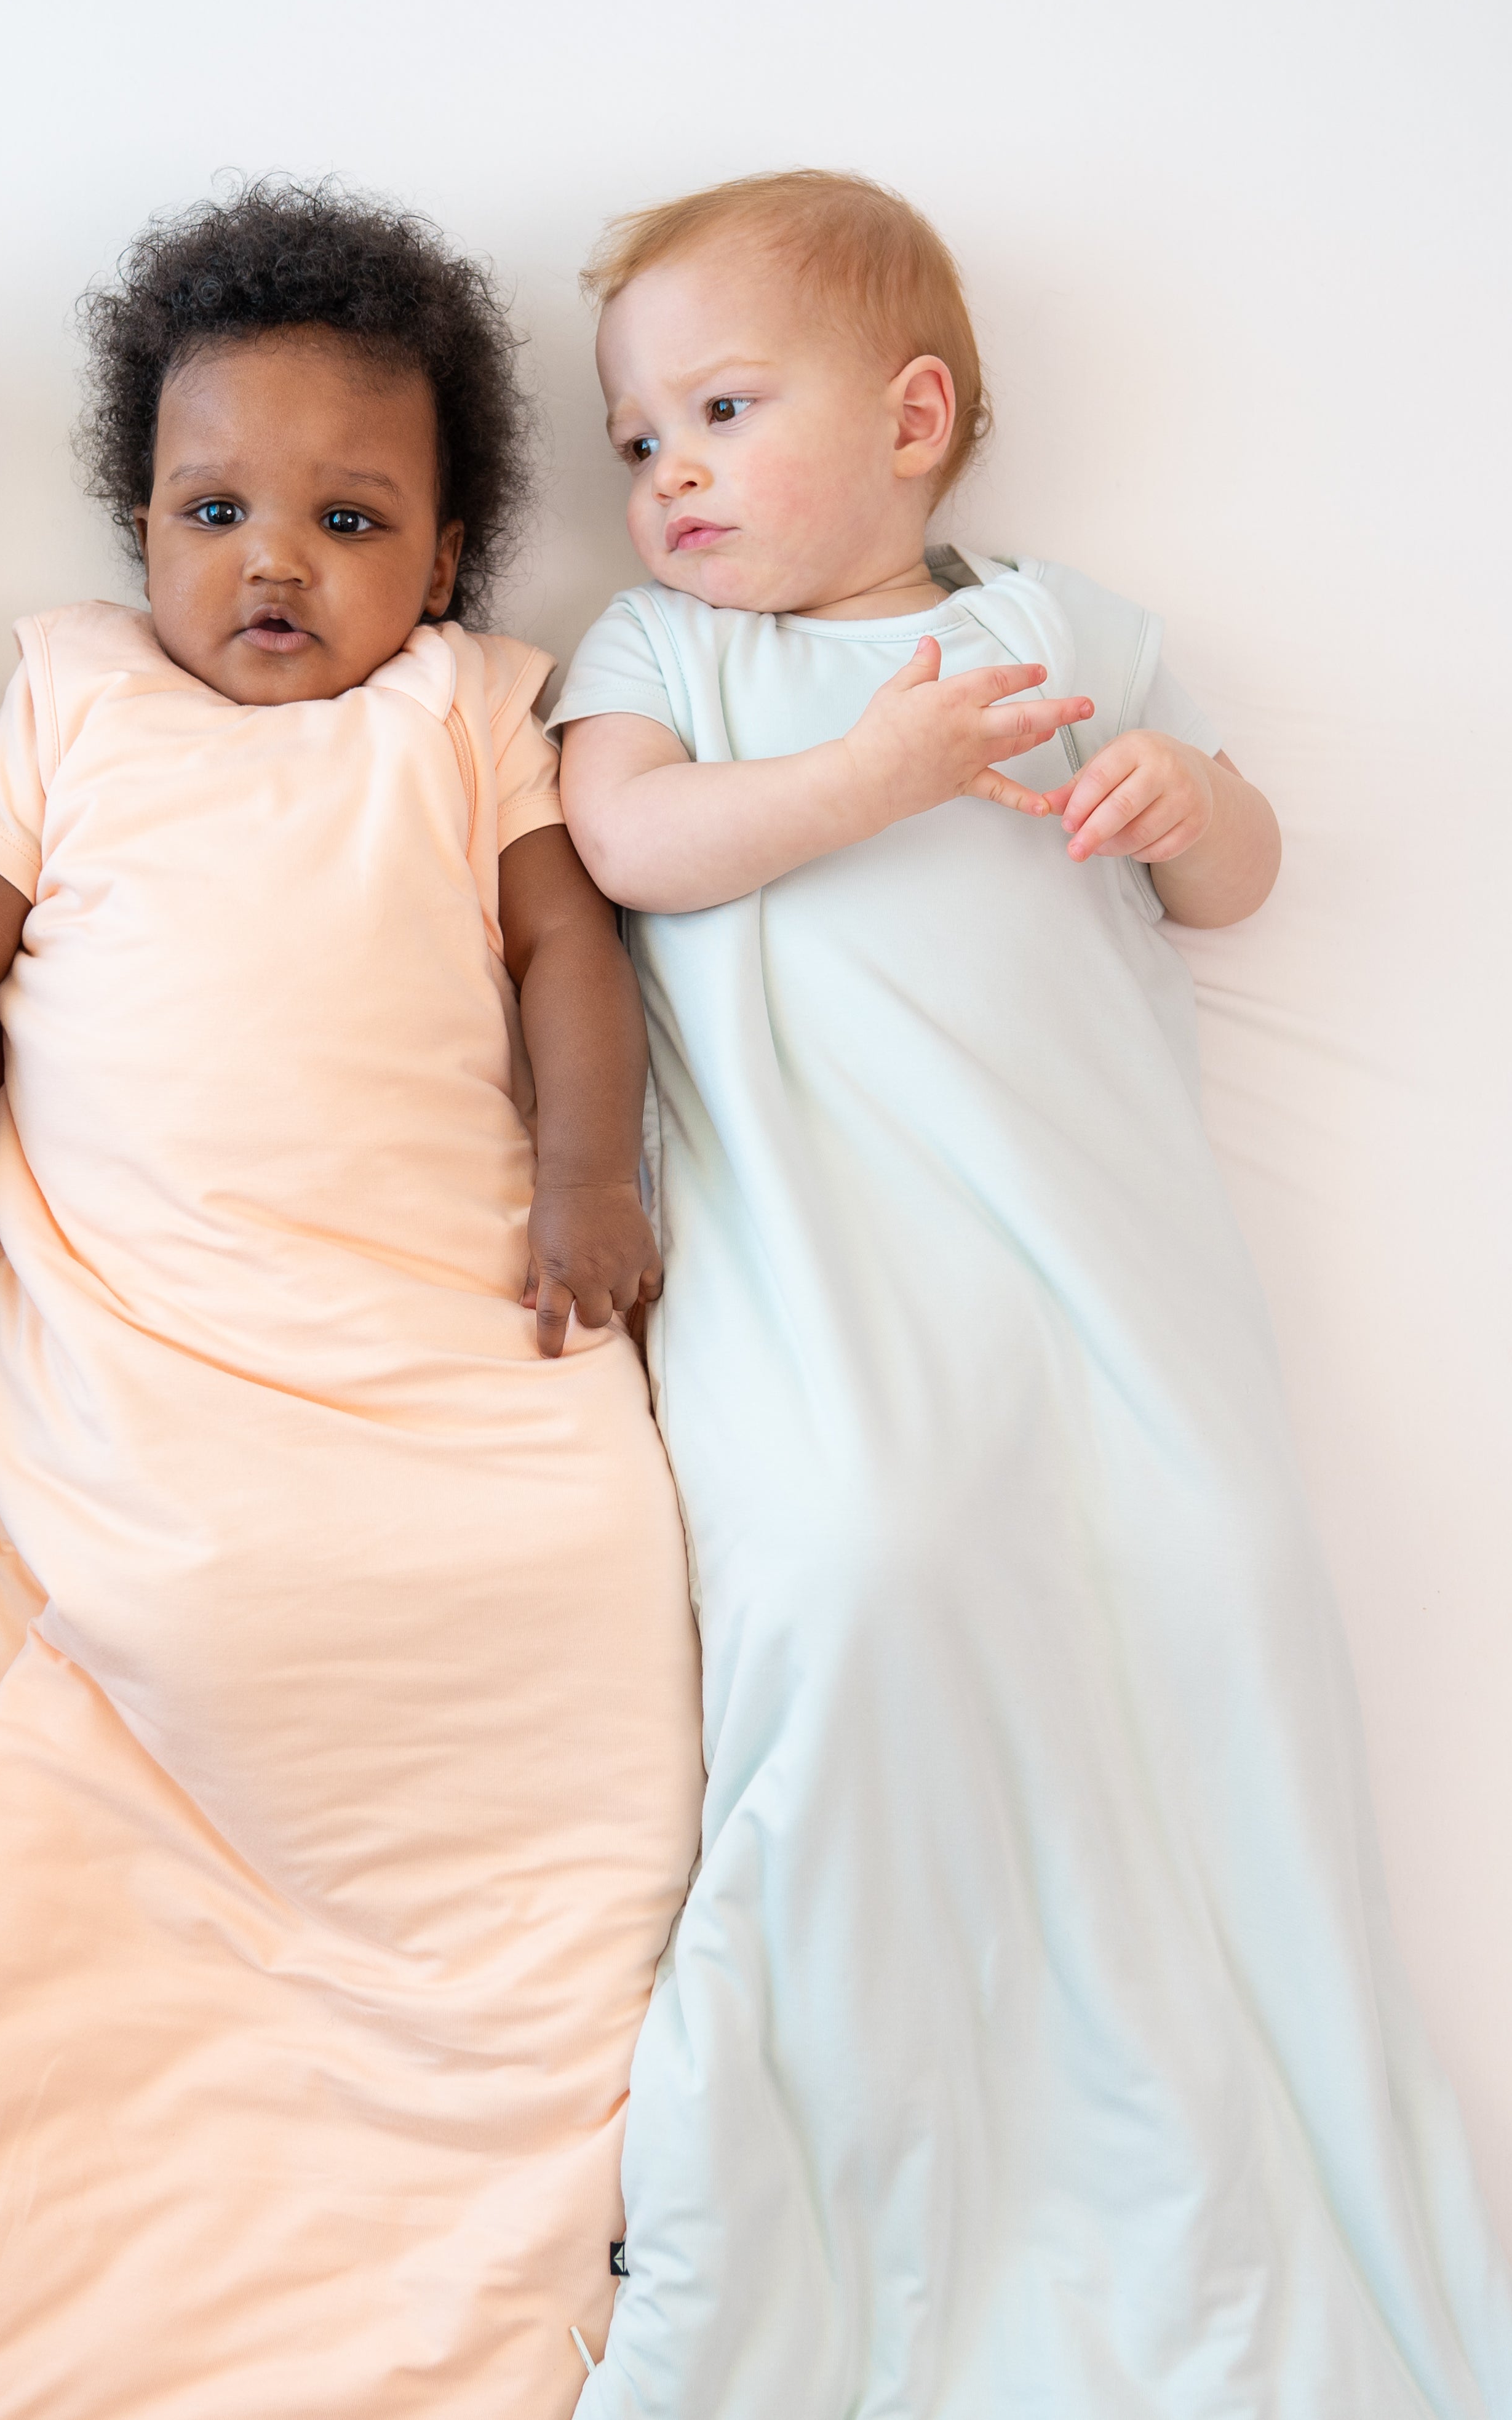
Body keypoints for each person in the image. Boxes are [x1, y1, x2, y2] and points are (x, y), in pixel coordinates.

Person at [0, 180, 705, 2419]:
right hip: (198, 1411)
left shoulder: (467, 714)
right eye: (215, 506)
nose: (272, 564)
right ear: (139, 520)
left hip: (459, 1396)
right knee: (196, 1682)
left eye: (349, 521)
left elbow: (564, 958)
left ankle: (450, 2188)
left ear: (439, 564)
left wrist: (594, 1177)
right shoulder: (70, 699)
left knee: (582, 1691)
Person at [551, 168, 1512, 2416]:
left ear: (912, 419)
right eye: (635, 438)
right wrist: (870, 768)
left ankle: (1214, 2168)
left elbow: (1235, 884)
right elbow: (631, 848)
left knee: (1220, 1584)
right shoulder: (662, 657)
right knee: (862, 1571)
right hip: (830, 1272)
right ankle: (883, 2173)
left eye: (717, 406)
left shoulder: (1070, 631)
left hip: (1104, 1272)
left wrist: (1188, 800)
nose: (667, 470)